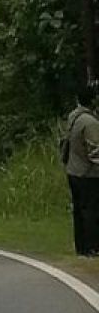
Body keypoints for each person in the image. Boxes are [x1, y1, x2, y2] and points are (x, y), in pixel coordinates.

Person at [64, 85, 99, 257]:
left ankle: (81, 246)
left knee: (79, 210)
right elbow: (95, 150)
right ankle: (92, 246)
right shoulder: (90, 122)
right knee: (91, 210)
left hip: (73, 169)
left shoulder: (73, 116)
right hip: (88, 173)